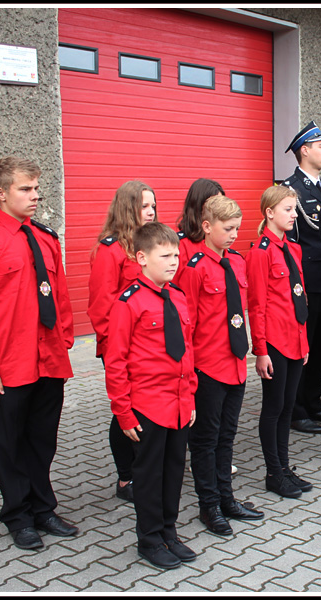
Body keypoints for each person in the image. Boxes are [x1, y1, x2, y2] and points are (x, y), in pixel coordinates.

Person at [0, 156, 77, 551]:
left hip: (48, 360)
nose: (34, 196)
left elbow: (59, 296)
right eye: (25, 189)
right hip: (8, 364)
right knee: (10, 444)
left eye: (36, 188)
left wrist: (65, 339)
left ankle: (43, 508)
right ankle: (18, 515)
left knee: (43, 441)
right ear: (0, 192)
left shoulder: (45, 237)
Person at [105, 222, 197, 570]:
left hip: (177, 404)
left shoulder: (178, 297)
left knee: (174, 471)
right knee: (149, 475)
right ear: (141, 258)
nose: (174, 262)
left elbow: (187, 353)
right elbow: (115, 362)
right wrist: (124, 413)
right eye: (165, 256)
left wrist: (189, 399)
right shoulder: (129, 303)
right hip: (147, 406)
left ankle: (169, 532)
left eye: (176, 255)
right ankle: (149, 538)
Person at [175, 194, 265, 538]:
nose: (233, 234)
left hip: (236, 363)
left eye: (237, 229)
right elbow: (188, 324)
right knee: (205, 441)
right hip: (208, 367)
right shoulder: (195, 269)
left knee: (227, 437)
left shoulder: (237, 263)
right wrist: (189, 374)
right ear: (207, 226)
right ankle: (208, 505)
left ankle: (226, 498)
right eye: (227, 229)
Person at [88, 180, 157, 504]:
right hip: (122, 348)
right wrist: (118, 349)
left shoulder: (147, 246)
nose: (152, 211)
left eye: (153, 205)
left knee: (146, 409)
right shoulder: (111, 250)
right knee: (125, 411)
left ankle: (144, 467)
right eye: (145, 206)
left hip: (150, 349)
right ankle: (125, 476)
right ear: (128, 208)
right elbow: (101, 308)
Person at [246, 186, 311, 497]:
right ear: (269, 212)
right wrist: (260, 350)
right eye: (288, 209)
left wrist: (306, 341)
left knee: (288, 407)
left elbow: (300, 298)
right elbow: (256, 305)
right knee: (273, 407)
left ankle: (285, 467)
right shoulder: (260, 252)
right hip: (274, 343)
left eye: (294, 209)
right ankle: (273, 472)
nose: (294, 214)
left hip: (295, 339)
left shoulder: (293, 249)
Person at [282, 121, 321, 435]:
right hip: (306, 279)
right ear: (305, 150)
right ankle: (296, 408)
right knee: (305, 345)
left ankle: (313, 400)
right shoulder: (290, 188)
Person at [176, 178, 227, 264]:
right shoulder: (179, 245)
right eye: (216, 204)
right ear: (199, 206)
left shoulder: (221, 239)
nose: (220, 209)